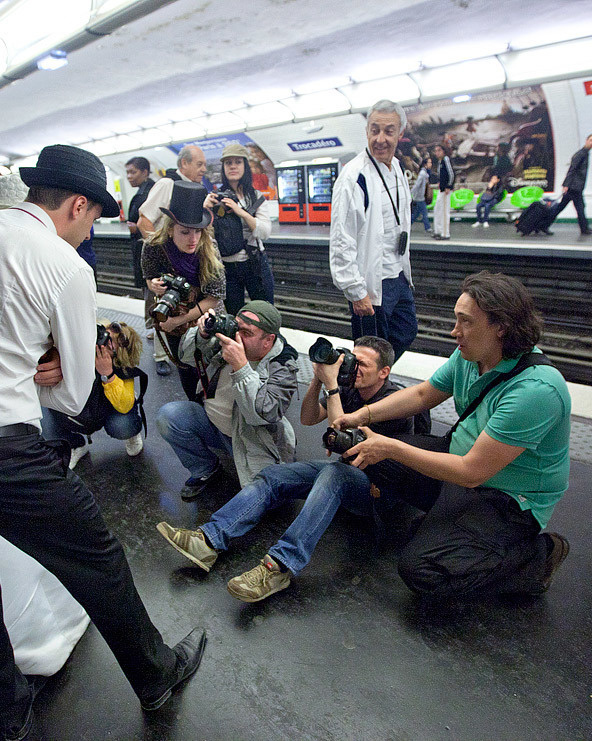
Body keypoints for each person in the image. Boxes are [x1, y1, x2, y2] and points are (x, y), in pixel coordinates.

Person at [0, 144, 206, 740]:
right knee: (95, 557)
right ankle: (156, 676)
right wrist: (34, 372)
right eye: (92, 219)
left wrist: (12, 363)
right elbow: (75, 390)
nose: (88, 234)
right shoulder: (64, 265)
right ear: (78, 204)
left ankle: (8, 709)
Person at [335, 271, 571, 599]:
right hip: (463, 462)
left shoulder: (536, 390)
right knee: (364, 451)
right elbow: (422, 395)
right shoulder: (470, 356)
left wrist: (390, 447)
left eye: (465, 321)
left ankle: (537, 556)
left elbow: (472, 473)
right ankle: (451, 527)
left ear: (500, 327)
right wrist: (362, 415)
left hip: (507, 497)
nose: (454, 331)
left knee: (421, 571)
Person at [156, 336, 417, 602]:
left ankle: (279, 566)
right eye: (352, 358)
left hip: (378, 490)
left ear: (384, 372)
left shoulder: (395, 402)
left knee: (333, 473)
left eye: (362, 364)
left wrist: (331, 386)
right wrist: (317, 379)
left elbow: (341, 440)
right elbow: (308, 418)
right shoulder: (350, 389)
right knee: (274, 476)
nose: (353, 367)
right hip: (346, 471)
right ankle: (208, 540)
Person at [156, 300, 298, 500]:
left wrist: (241, 367)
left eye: (247, 333)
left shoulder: (283, 365)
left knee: (267, 498)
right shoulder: (226, 340)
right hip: (213, 425)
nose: (237, 336)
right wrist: (202, 335)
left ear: (268, 340)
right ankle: (205, 469)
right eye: (236, 327)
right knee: (169, 416)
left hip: (253, 440)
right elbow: (186, 358)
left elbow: (264, 414)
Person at [330, 99, 417, 363]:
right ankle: (358, 396)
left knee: (405, 330)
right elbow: (341, 239)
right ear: (367, 131)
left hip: (397, 274)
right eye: (374, 130)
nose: (380, 139)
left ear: (400, 133)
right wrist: (356, 291)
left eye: (388, 131)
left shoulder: (398, 169)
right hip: (371, 282)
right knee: (370, 355)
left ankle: (377, 383)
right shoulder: (354, 176)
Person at [141, 181, 225, 400]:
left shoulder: (209, 248)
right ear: (170, 229)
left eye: (198, 231)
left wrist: (177, 321)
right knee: (186, 370)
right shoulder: (153, 247)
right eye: (185, 232)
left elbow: (214, 299)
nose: (193, 239)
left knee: (212, 375)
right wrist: (153, 284)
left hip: (205, 317)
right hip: (174, 319)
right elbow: (149, 277)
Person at [137, 145, 210, 377]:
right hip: (165, 264)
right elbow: (144, 221)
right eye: (199, 164)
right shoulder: (167, 184)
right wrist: (160, 251)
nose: (204, 169)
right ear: (183, 164)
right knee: (163, 306)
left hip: (187, 259)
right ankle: (162, 356)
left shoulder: (195, 190)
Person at [41, 320, 146, 469]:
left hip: (106, 412)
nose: (106, 342)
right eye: (107, 337)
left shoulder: (123, 369)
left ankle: (131, 434)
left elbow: (124, 406)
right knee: (42, 418)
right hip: (78, 409)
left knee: (122, 425)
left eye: (113, 344)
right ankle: (75, 445)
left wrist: (108, 375)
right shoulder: (85, 341)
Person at [207, 143, 276, 316]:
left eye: (238, 162)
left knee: (265, 312)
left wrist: (241, 212)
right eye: (228, 163)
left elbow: (265, 232)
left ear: (245, 165)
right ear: (223, 168)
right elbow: (204, 235)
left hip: (255, 262)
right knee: (233, 316)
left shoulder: (256, 196)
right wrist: (205, 210)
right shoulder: (215, 197)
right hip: (227, 266)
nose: (233, 166)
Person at [125, 157, 155, 335]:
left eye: (132, 172)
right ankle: (152, 325)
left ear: (144, 172)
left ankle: (153, 326)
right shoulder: (144, 190)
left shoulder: (148, 192)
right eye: (127, 172)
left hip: (147, 248)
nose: (129, 176)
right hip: (142, 247)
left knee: (150, 287)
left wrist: (137, 228)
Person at [551, 133, 592, 236]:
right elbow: (572, 169)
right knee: (578, 208)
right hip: (573, 187)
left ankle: (543, 224)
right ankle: (584, 229)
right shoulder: (580, 154)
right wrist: (566, 185)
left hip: (576, 186)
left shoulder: (585, 153)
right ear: (586, 141)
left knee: (562, 207)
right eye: (591, 140)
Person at [432, 143, 455, 240]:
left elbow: (451, 174)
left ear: (444, 151)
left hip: (445, 190)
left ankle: (445, 233)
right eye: (436, 151)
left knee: (445, 212)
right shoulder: (440, 162)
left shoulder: (446, 160)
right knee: (437, 210)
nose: (437, 153)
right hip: (441, 189)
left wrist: (449, 186)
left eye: (439, 150)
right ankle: (438, 230)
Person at [410, 157, 432, 233]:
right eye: (429, 162)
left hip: (418, 197)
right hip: (419, 197)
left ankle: (408, 225)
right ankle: (427, 228)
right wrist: (411, 192)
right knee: (424, 212)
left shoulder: (425, 173)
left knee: (416, 214)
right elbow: (417, 184)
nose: (431, 164)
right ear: (425, 164)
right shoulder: (423, 173)